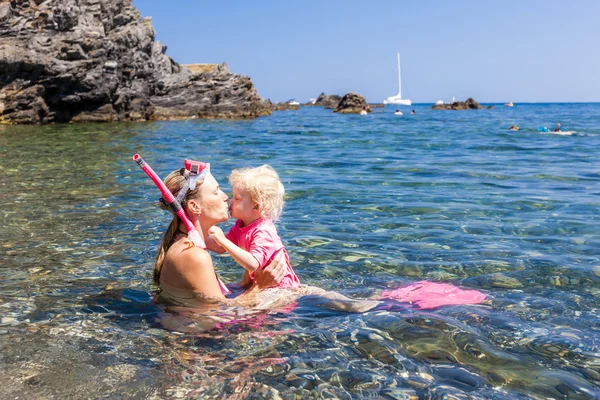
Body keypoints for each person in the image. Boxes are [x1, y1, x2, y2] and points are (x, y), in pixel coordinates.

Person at [153, 165, 287, 303]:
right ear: (194, 207)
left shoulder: (181, 242)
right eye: (216, 192)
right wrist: (259, 287)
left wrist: (247, 285)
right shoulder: (194, 255)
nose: (225, 197)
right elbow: (220, 314)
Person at [207, 165, 300, 289]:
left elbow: (253, 264)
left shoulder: (263, 231)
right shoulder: (241, 224)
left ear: (256, 206)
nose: (231, 201)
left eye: (237, 198)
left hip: (280, 288)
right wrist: (197, 237)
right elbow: (220, 248)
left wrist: (222, 240)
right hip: (263, 285)